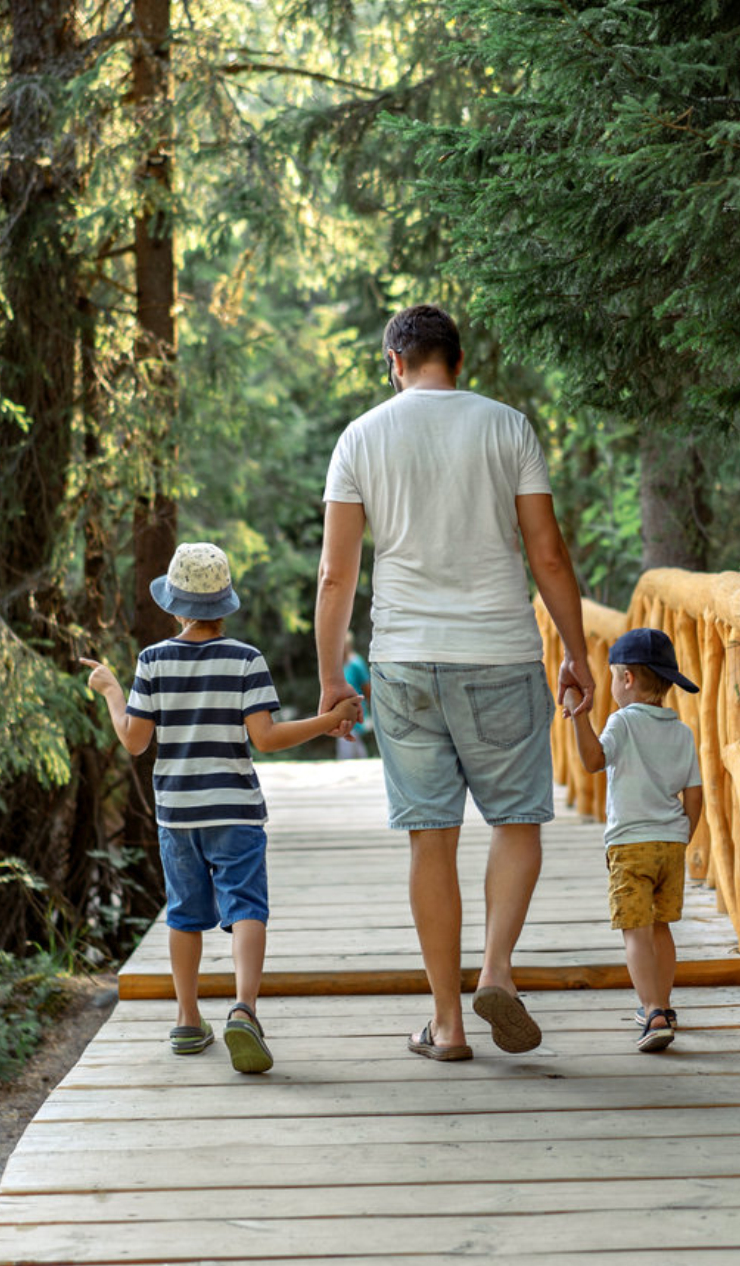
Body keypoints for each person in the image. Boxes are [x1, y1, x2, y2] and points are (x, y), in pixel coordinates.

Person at [314, 303, 595, 1061]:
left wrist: (332, 678)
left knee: (429, 841)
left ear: (393, 363)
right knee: (517, 822)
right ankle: (496, 969)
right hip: (500, 652)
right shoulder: (507, 427)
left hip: (404, 661)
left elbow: (336, 573)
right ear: (458, 361)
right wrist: (576, 652)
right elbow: (548, 554)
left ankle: (447, 1023)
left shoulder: (360, 437)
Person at [81, 542, 361, 1074]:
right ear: (224, 604)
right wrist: (330, 721)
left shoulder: (152, 661)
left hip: (178, 814)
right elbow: (267, 738)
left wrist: (113, 691)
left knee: (184, 914)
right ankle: (244, 1010)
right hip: (235, 810)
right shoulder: (246, 659)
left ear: (174, 606)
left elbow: (135, 741)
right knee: (246, 907)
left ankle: (188, 1020)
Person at [565, 628, 703, 1052]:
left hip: (630, 845)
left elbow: (593, 760)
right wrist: (682, 835)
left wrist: (577, 713)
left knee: (635, 932)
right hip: (671, 844)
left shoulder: (622, 722)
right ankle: (665, 1004)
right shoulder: (682, 732)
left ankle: (651, 1011)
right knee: (661, 927)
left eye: (611, 677)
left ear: (626, 678)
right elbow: (694, 794)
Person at [334, 632, 374, 759]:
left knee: (348, 747)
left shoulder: (356, 663)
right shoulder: (337, 665)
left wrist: (371, 710)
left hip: (356, 712)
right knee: (355, 747)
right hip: (340, 714)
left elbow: (367, 688)